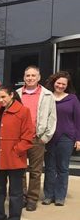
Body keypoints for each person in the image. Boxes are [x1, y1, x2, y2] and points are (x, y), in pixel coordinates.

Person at [0, 86, 34, 220]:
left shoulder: (23, 111)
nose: (0, 100)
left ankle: (14, 218)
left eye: (3, 97)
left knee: (15, 191)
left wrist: (16, 150)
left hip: (14, 158)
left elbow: (28, 135)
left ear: (11, 95)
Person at [16, 66, 57, 212]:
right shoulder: (17, 94)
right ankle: (20, 196)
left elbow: (52, 117)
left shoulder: (47, 95)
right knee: (19, 170)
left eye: (33, 75)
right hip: (20, 138)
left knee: (35, 171)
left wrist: (45, 137)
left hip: (37, 138)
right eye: (28, 75)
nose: (30, 78)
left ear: (39, 77)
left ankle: (32, 199)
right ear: (24, 77)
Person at [42, 71, 80, 206]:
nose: (61, 85)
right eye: (58, 83)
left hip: (66, 137)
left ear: (67, 85)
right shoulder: (47, 97)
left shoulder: (72, 99)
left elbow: (77, 120)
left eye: (64, 84)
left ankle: (60, 197)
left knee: (63, 168)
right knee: (49, 167)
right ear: (54, 82)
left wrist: (78, 139)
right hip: (49, 136)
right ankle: (48, 195)